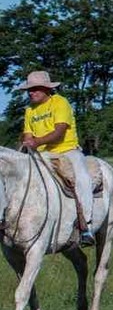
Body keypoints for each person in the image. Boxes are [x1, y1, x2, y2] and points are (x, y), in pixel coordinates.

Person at [19, 70, 96, 246]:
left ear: (47, 89)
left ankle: (86, 226)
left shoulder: (60, 102)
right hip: (41, 154)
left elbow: (60, 131)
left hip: (66, 150)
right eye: (29, 90)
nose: (31, 92)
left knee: (83, 179)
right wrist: (27, 142)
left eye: (35, 89)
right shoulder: (29, 110)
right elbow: (27, 134)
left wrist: (36, 141)